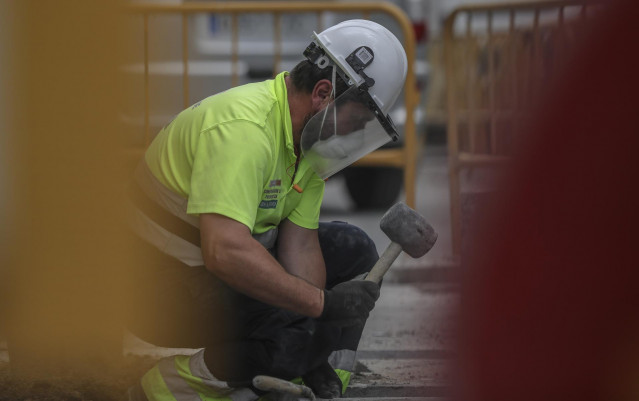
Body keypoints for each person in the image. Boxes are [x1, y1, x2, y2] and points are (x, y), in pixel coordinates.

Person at [126, 19, 408, 401]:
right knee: (295, 333)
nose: (350, 136)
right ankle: (171, 385)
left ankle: (311, 375)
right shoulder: (245, 129)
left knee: (352, 250)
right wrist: (320, 308)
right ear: (324, 93)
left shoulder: (305, 142)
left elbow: (302, 246)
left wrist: (317, 341)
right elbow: (224, 251)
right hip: (153, 286)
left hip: (212, 268)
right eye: (355, 122)